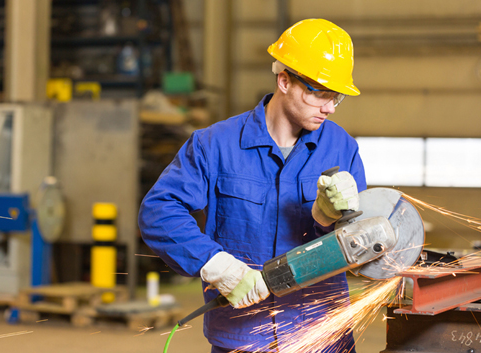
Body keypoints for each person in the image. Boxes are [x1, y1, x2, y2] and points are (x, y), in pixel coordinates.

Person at [139, 18, 366, 353]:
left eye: (337, 98)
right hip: (243, 336)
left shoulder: (342, 148)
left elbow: (361, 246)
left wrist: (328, 219)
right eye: (320, 93)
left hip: (321, 335)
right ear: (285, 80)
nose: (329, 107)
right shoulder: (215, 145)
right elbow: (158, 211)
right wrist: (216, 265)